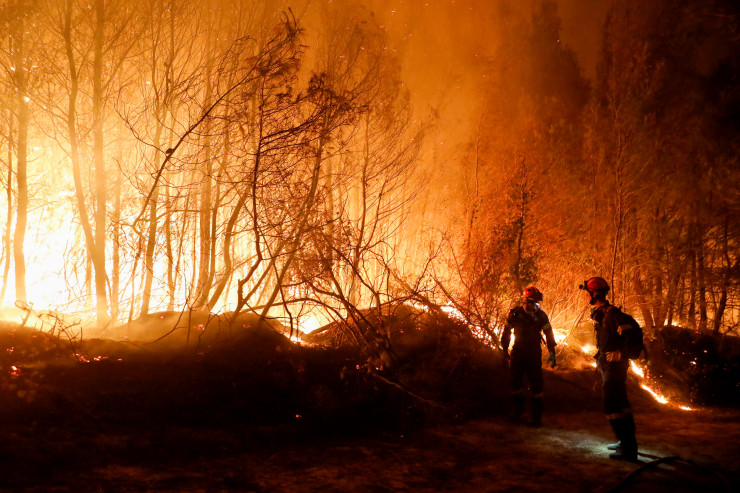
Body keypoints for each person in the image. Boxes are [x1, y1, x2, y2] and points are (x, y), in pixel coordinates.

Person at [580, 276, 639, 461]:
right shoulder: (602, 314)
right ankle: (626, 442)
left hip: (614, 366)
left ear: (594, 294)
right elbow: (609, 340)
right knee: (620, 403)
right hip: (609, 364)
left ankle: (628, 449)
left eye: (588, 293)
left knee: (612, 404)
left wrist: (621, 355)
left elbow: (627, 334)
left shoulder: (611, 314)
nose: (586, 296)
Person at [501, 286, 557, 427]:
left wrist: (552, 351)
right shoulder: (515, 314)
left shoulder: (541, 316)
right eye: (532, 302)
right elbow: (506, 332)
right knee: (515, 383)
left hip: (534, 353)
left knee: (536, 384)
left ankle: (536, 417)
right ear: (525, 301)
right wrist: (504, 350)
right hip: (518, 351)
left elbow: (548, 333)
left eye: (536, 303)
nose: (534, 306)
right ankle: (518, 411)